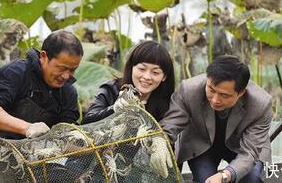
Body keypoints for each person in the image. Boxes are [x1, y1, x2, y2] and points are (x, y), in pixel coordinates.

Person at [0, 31, 83, 183]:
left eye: (72, 70)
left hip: (14, 165)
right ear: (43, 57)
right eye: (61, 68)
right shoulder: (17, 72)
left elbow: (66, 134)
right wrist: (28, 128)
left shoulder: (67, 92)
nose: (66, 76)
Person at [160, 55, 272, 183]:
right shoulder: (189, 90)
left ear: (241, 93)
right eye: (211, 90)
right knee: (205, 179)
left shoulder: (261, 104)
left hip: (242, 146)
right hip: (202, 142)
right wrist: (160, 142)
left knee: (252, 178)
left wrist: (225, 175)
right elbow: (171, 124)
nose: (215, 100)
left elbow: (250, 153)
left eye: (224, 95)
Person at [83, 40, 175, 124]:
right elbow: (87, 121)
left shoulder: (169, 102)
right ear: (131, 68)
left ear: (164, 76)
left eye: (155, 72)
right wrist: (114, 109)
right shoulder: (110, 89)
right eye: (142, 69)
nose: (147, 77)